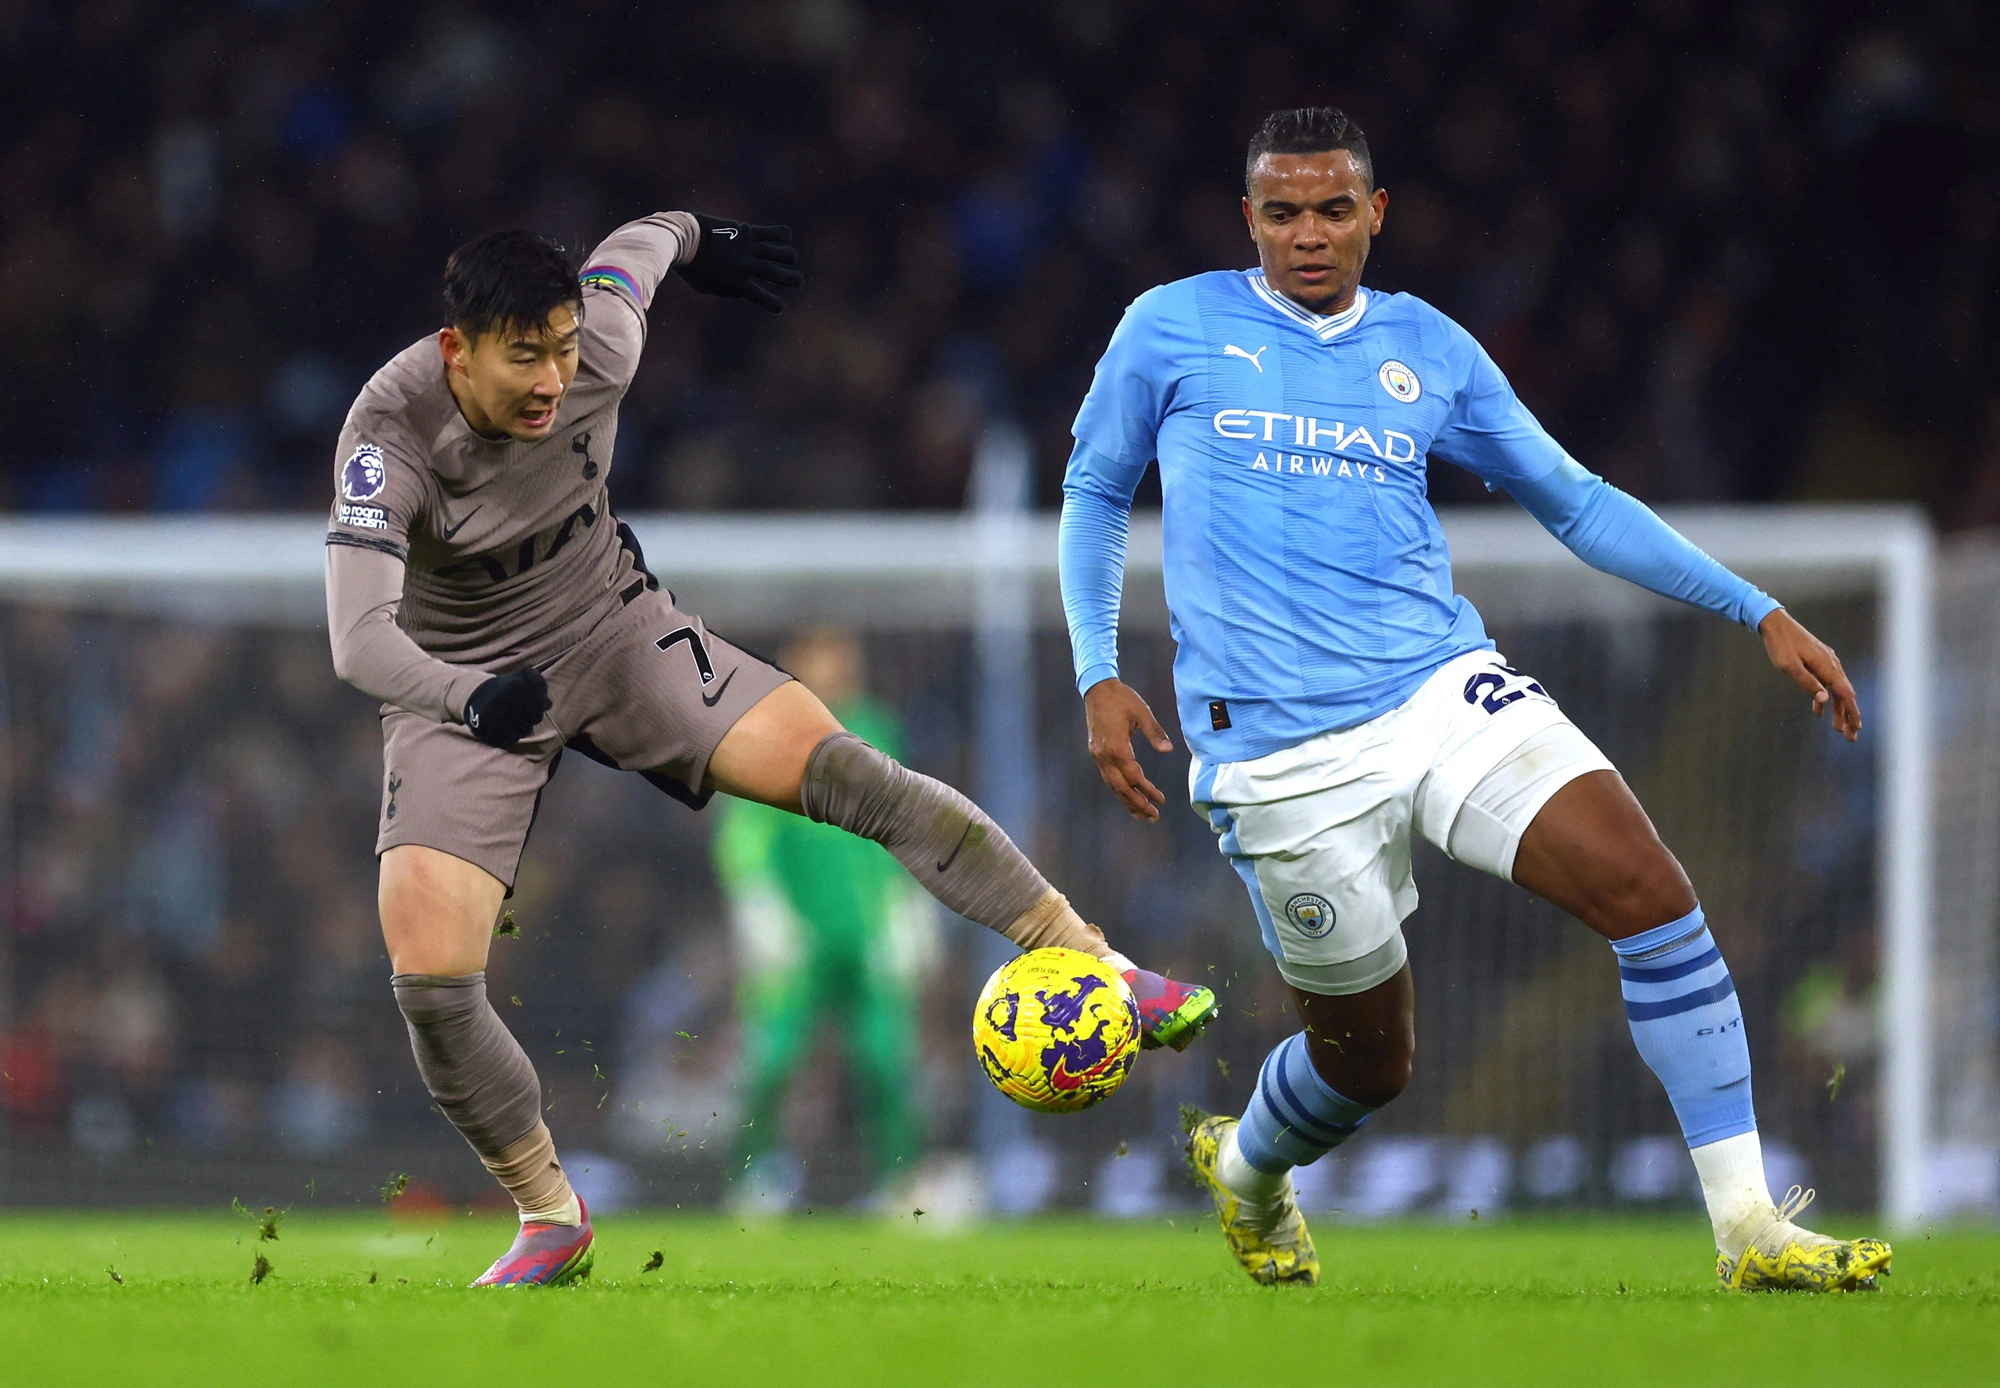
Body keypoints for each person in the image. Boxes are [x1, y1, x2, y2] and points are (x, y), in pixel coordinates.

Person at [1058, 107, 1889, 1292]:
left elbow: (1575, 499)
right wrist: (1096, 666)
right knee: (1368, 1064)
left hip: (1437, 686)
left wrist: (1753, 608)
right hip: (1275, 754)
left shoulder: (1428, 348)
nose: (1307, 234)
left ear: (1373, 214)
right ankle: (1246, 1169)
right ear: (1247, 217)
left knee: (1645, 886)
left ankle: (1747, 1224)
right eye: (1281, 212)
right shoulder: (1169, 326)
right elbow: (1092, 492)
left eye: (1332, 209)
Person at [323, 210, 1216, 1286]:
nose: (555, 376)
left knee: (850, 768)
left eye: (564, 347)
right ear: (456, 348)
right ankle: (548, 1212)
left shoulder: (600, 341)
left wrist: (703, 238)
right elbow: (360, 638)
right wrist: (470, 697)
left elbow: (634, 247)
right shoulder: (388, 431)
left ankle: (1098, 963)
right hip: (462, 681)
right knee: (430, 975)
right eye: (526, 356)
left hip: (612, 627)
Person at [714, 628, 936, 1211]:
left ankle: (902, 1183)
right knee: (773, 1060)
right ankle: (756, 1177)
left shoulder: (879, 728)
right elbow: (746, 830)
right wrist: (758, 905)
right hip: (797, 936)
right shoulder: (765, 731)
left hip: (867, 933)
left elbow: (905, 823)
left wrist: (909, 906)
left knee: (887, 1059)